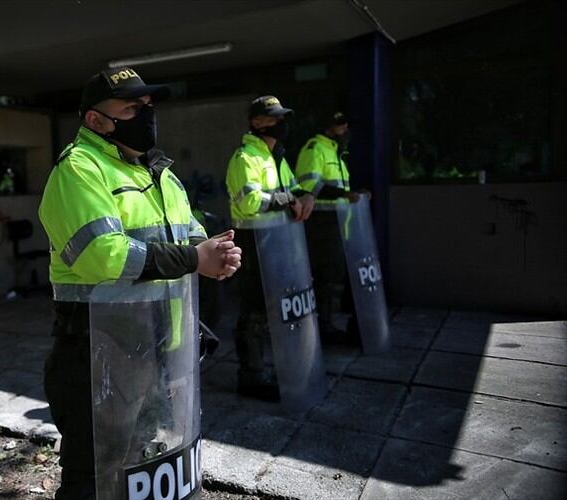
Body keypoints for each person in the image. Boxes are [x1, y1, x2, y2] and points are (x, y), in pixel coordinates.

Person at [38, 67, 242, 500]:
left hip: (156, 348)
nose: (145, 115)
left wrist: (215, 254)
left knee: (142, 465)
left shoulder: (160, 175)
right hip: (96, 354)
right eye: (131, 107)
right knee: (96, 476)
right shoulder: (79, 169)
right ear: (95, 121)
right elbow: (101, 256)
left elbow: (191, 235)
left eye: (147, 106)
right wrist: (194, 258)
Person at [225, 95, 315, 401]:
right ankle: (251, 376)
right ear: (256, 122)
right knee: (254, 312)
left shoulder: (276, 157)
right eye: (274, 118)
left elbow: (294, 188)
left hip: (278, 244)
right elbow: (249, 202)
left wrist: (305, 197)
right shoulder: (245, 157)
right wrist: (287, 200)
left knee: (272, 309)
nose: (281, 123)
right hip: (253, 244)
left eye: (281, 118)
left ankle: (268, 369)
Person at [294, 111, 368, 345]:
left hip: (338, 224)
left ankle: (335, 325)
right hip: (321, 225)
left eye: (346, 125)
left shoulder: (336, 152)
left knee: (336, 277)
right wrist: (345, 194)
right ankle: (322, 328)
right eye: (340, 126)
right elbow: (308, 186)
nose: (345, 130)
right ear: (328, 128)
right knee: (325, 278)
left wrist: (353, 195)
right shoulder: (315, 148)